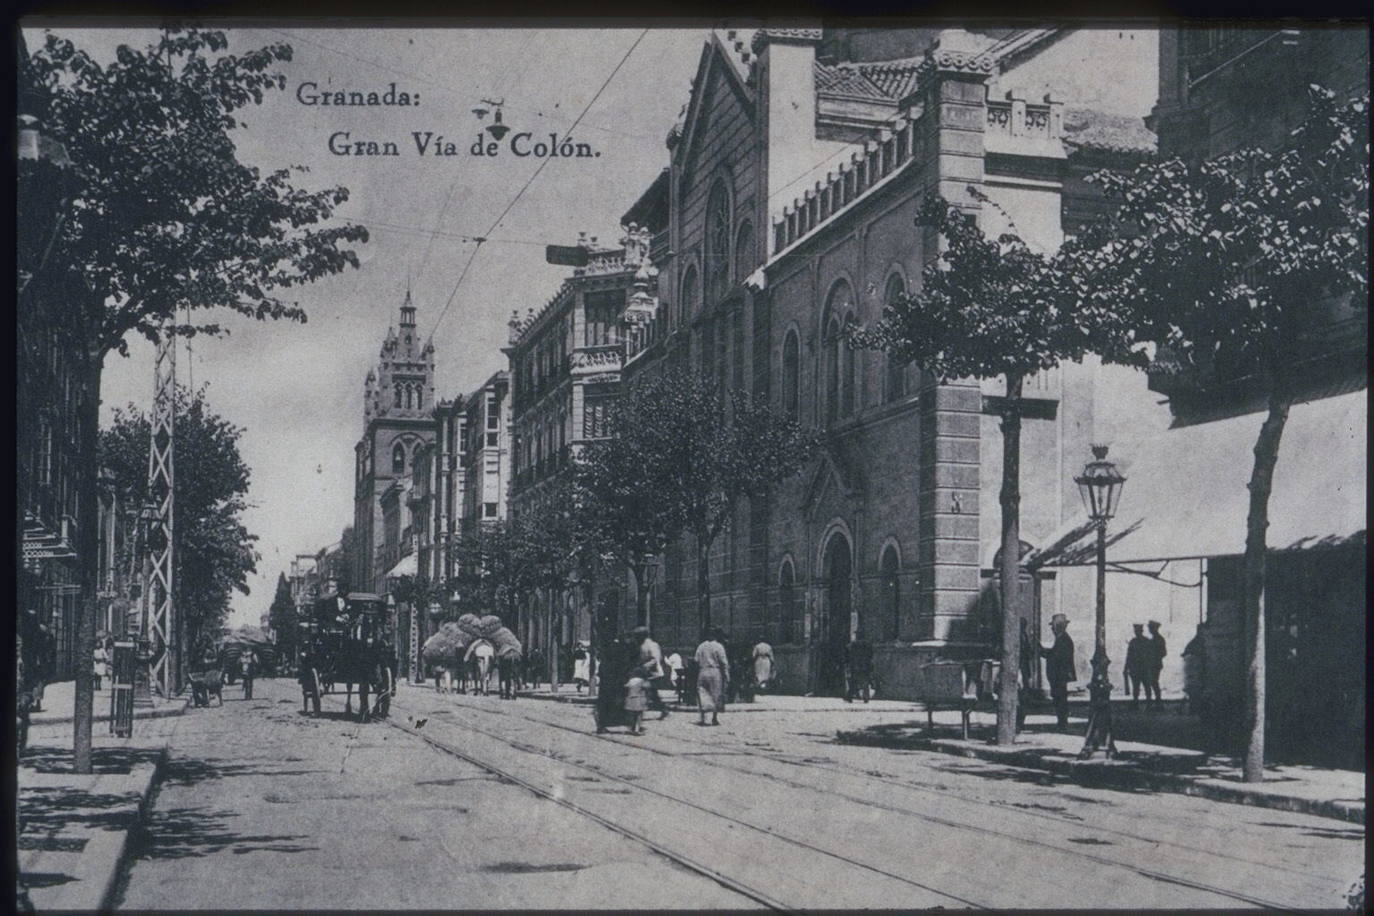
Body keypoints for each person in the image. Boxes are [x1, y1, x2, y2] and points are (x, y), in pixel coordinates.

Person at [1040, 614, 1077, 731]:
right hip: (1058, 675)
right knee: (1059, 698)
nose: (1052, 629)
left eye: (1053, 626)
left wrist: (1043, 652)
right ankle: (1061, 722)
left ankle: (1062, 723)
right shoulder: (1061, 639)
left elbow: (1057, 657)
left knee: (1060, 699)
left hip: (1059, 676)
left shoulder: (1064, 640)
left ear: (1059, 626)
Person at [693, 628, 730, 726]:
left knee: (702, 693)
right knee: (716, 694)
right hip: (715, 671)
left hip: (703, 671)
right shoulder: (719, 646)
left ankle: (703, 718)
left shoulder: (701, 646)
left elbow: (696, 660)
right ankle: (714, 718)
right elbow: (724, 662)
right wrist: (726, 675)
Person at [634, 626, 669, 719]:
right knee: (651, 692)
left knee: (648, 691)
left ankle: (640, 711)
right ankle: (662, 709)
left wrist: (645, 666)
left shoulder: (651, 645)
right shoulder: (642, 645)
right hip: (646, 672)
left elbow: (655, 659)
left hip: (654, 672)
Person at [1181, 622, 1207, 719]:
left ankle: (1195, 708)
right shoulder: (1198, 642)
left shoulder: (1195, 642)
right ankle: (1194, 708)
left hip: (1195, 670)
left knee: (1195, 689)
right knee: (1194, 689)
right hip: (1195, 669)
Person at [1124, 623, 1151, 708]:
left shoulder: (1133, 642)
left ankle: (1138, 703)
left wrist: (1126, 668)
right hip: (1142, 667)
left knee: (1139, 686)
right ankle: (1147, 703)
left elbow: (1129, 656)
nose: (1136, 632)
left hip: (1137, 668)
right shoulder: (1146, 641)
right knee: (1144, 686)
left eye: (1137, 631)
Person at [845, 634, 874, 703]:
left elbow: (848, 653)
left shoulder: (853, 644)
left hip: (856, 665)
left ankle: (849, 696)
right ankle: (866, 697)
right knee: (865, 681)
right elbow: (871, 655)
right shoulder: (868, 644)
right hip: (866, 666)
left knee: (854, 681)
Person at [1144, 620, 1166, 709]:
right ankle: (1157, 702)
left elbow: (1163, 652)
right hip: (1153, 664)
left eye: (1150, 627)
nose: (1149, 629)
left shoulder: (1159, 639)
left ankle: (1158, 703)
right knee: (1153, 683)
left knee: (1153, 683)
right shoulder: (1155, 639)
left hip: (1155, 664)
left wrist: (1154, 656)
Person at [623, 665, 650, 735]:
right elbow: (647, 686)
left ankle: (631, 728)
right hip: (639, 700)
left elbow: (626, 686)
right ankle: (637, 729)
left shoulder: (631, 680)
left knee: (632, 715)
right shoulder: (642, 681)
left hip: (630, 700)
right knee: (639, 716)